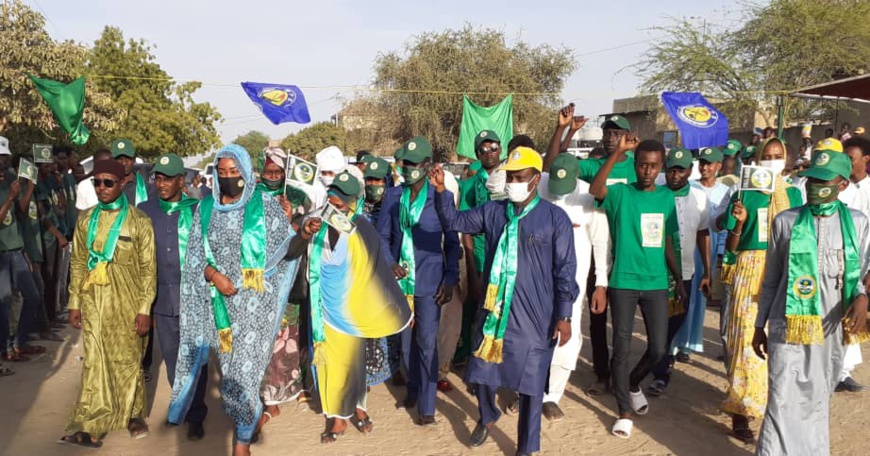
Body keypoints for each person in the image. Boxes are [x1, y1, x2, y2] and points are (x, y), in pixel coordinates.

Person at [430, 146, 577, 455]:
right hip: (495, 313)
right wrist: (442, 190)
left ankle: (526, 448)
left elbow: (566, 269)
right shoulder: (493, 211)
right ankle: (487, 415)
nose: (512, 182)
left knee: (531, 385)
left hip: (535, 317)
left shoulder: (555, 218)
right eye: (510, 176)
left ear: (536, 179)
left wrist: (564, 315)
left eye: (519, 177)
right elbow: (454, 221)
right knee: (481, 371)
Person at [168, 144, 299, 456]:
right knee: (229, 379)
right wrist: (215, 276)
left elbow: (286, 250)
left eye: (234, 172)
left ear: (246, 173)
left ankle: (241, 443)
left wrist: (302, 231)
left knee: (245, 376)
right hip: (221, 310)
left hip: (256, 308)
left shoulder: (266, 206)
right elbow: (196, 257)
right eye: (222, 172)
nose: (228, 178)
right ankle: (250, 419)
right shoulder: (205, 209)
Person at [752, 150, 870, 456]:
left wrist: (861, 297)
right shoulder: (786, 221)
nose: (815, 186)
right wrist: (758, 324)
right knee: (781, 393)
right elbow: (772, 278)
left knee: (818, 395)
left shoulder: (857, 222)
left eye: (823, 180)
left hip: (831, 323)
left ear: (842, 184)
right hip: (786, 320)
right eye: (811, 180)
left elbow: (857, 274)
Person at [293, 171, 412, 443]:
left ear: (353, 201)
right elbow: (293, 249)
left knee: (353, 363)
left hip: (352, 308)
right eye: (332, 200)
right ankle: (337, 418)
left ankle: (357, 407)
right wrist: (304, 230)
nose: (335, 206)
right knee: (329, 364)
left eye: (342, 202)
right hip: (322, 306)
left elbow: (377, 271)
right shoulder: (315, 222)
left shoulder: (363, 228)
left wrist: (400, 309)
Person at [589, 137, 684, 439]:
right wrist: (617, 153)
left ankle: (630, 383)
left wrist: (678, 278)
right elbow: (595, 189)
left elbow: (668, 240)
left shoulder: (666, 198)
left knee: (659, 348)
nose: (647, 171)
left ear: (661, 167)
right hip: (624, 283)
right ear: (635, 164)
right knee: (622, 347)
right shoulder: (620, 194)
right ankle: (624, 412)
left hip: (656, 283)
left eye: (654, 166)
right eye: (642, 164)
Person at [59, 159, 156, 448]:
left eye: (108, 182)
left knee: (127, 361)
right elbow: (77, 263)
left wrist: (144, 310)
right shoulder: (86, 219)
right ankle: (88, 423)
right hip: (93, 302)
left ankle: (134, 413)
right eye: (96, 182)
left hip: (128, 304)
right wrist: (74, 301)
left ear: (122, 183)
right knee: (94, 362)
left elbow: (149, 270)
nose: (101, 188)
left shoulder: (139, 222)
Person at [718, 137, 803, 443]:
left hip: (782, 269)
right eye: (766, 155)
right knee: (744, 341)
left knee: (778, 341)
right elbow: (731, 245)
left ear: (787, 159)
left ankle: (772, 406)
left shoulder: (794, 195)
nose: (771, 160)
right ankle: (740, 411)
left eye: (777, 155)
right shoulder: (744, 193)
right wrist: (739, 222)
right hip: (749, 268)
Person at [546, 107, 634, 396]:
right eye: (608, 133)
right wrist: (564, 129)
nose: (611, 138)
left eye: (617, 134)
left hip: (627, 248)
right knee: (595, 317)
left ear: (628, 137)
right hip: (597, 249)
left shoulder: (637, 166)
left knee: (621, 321)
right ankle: (601, 372)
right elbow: (555, 165)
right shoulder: (592, 169)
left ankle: (624, 377)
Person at [376, 136, 459, 426]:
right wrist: (390, 263)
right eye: (405, 164)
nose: (409, 169)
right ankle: (412, 389)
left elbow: (451, 241)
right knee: (406, 341)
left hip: (431, 282)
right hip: (401, 282)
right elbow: (382, 237)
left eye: (415, 165)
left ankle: (427, 405)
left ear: (427, 166)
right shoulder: (392, 196)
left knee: (426, 342)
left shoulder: (440, 198)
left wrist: (450, 278)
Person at [137, 153, 208, 441]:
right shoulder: (144, 210)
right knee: (172, 358)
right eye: (158, 177)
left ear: (182, 180)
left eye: (168, 178)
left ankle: (196, 415)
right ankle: (181, 403)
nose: (162, 183)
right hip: (162, 300)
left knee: (196, 359)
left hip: (193, 298)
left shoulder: (199, 210)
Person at [538, 153, 610, 421]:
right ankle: (528, 392)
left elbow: (602, 243)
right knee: (532, 336)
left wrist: (600, 283)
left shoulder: (589, 198)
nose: (557, 196)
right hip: (537, 279)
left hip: (573, 284)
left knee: (566, 339)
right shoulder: (540, 186)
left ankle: (551, 395)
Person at [647, 148, 711, 395]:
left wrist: (707, 270)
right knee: (657, 327)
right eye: (671, 169)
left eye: (681, 170)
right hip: (657, 272)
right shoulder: (656, 194)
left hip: (686, 272)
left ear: (690, 171)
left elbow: (703, 232)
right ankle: (660, 373)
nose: (675, 175)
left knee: (674, 323)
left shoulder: (699, 197)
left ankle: (661, 360)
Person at [254, 147, 308, 426]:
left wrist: (289, 221)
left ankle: (287, 391)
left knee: (287, 338)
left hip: (288, 277)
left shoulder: (298, 197)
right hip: (260, 278)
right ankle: (265, 400)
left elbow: (303, 238)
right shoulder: (252, 197)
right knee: (262, 338)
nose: (273, 177)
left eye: (278, 172)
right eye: (269, 172)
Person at [672, 147, 731, 360]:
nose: (705, 167)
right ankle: (673, 342)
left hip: (709, 245)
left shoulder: (726, 191)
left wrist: (720, 253)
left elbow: (724, 225)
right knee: (681, 292)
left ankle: (687, 343)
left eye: (710, 163)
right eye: (702, 163)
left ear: (719, 166)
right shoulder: (690, 187)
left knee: (698, 295)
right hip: (687, 244)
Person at [455, 129, 504, 366]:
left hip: (508, 254)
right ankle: (470, 355)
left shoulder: (512, 178)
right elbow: (465, 229)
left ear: (501, 149)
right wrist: (473, 269)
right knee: (476, 306)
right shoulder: (471, 185)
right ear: (477, 154)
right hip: (483, 255)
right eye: (483, 150)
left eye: (493, 147)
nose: (489, 153)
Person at [832, 136, 870, 392]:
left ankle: (842, 371)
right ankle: (833, 370)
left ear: (866, 160)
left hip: (862, 265)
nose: (846, 162)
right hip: (836, 262)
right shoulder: (840, 187)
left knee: (853, 316)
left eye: (851, 158)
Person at [361, 157, 402, 388]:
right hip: (364, 278)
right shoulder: (358, 207)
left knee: (391, 326)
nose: (373, 184)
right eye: (369, 180)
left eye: (378, 180)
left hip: (389, 274)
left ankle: (393, 368)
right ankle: (368, 373)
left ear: (387, 180)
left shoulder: (396, 205)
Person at [0, 144, 44, 362]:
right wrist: (9, 197)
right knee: (5, 301)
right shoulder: (7, 187)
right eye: (0, 156)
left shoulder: (10, 179)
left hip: (16, 250)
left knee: (33, 297)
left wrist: (28, 189)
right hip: (1, 254)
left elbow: (21, 211)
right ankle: (6, 348)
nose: (4, 160)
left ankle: (19, 341)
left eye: (6, 156)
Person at [111, 139, 155, 206]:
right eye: (120, 159)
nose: (124, 163)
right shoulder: (105, 187)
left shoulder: (147, 189)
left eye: (128, 158)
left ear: (134, 159)